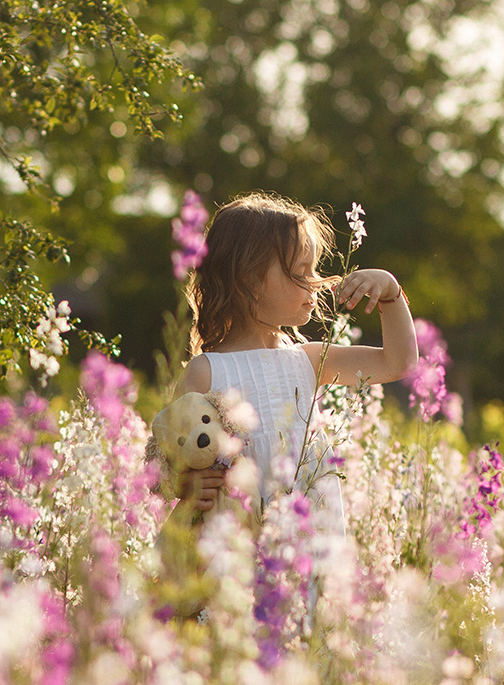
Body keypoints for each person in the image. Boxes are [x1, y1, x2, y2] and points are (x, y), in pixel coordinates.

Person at [169, 193, 418, 522]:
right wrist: (187, 483)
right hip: (242, 554)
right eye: (301, 271)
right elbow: (171, 455)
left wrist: (390, 292)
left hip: (313, 548)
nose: (315, 281)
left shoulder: (311, 360)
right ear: (251, 280)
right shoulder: (205, 372)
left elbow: (399, 362)